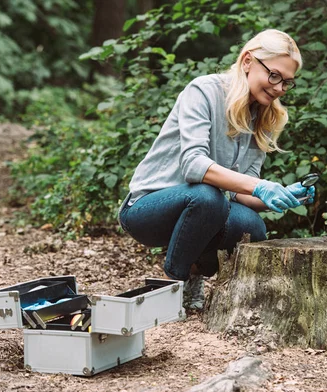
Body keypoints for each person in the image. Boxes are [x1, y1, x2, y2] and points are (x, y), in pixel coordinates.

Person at [118, 29, 315, 310]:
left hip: (203, 210)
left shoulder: (262, 116)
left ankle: (195, 274)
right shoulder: (203, 91)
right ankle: (169, 289)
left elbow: (242, 192)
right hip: (146, 210)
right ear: (248, 61)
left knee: (252, 226)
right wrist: (258, 186)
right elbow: (194, 165)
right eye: (274, 76)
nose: (279, 88)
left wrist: (282, 195)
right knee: (208, 197)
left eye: (287, 82)